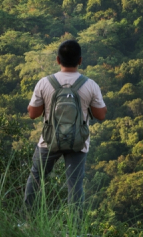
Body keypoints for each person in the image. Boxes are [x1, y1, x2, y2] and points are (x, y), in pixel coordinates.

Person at [24, 40, 106, 211]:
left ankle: (26, 219)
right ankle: (75, 229)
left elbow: (33, 114)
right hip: (78, 142)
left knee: (36, 177)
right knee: (75, 185)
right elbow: (100, 115)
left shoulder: (45, 83)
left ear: (58, 60)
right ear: (80, 60)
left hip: (49, 140)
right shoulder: (90, 85)